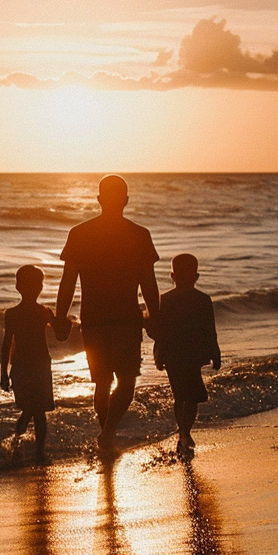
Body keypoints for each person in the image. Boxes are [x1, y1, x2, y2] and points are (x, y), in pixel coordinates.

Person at [55, 174, 159, 452]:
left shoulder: (80, 234)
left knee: (102, 383)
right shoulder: (139, 234)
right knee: (126, 380)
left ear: (99, 199)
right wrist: (155, 317)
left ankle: (106, 433)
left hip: (94, 318)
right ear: (126, 200)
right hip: (126, 317)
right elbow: (149, 282)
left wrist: (60, 317)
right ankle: (108, 432)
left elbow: (67, 282)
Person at [154, 253, 221, 458]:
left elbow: (159, 332)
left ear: (172, 276)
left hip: (173, 354)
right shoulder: (202, 299)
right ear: (197, 276)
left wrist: (158, 353)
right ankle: (185, 431)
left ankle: (183, 431)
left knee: (180, 396)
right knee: (190, 397)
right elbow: (210, 330)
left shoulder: (165, 300)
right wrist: (215, 352)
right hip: (192, 354)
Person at [1, 264, 58, 462]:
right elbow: (6, 344)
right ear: (18, 287)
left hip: (40, 366)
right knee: (33, 410)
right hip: (23, 367)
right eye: (34, 284)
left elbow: (60, 334)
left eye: (39, 284)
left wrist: (63, 322)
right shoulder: (12, 314)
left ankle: (32, 451)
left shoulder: (44, 312)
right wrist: (3, 373)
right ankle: (21, 448)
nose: (37, 288)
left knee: (37, 411)